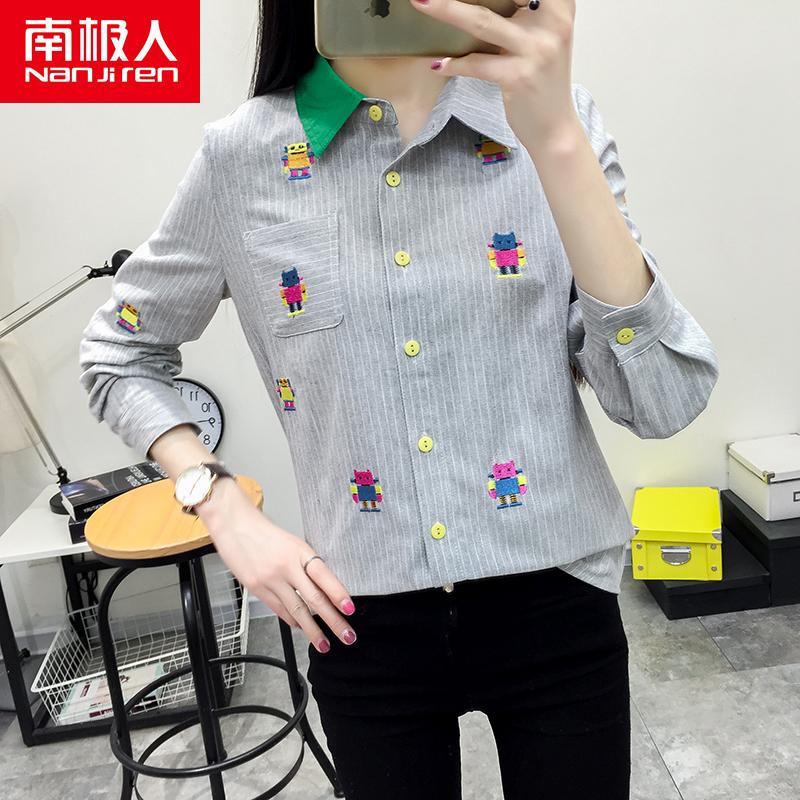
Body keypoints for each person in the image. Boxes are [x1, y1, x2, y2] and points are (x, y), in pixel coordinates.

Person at [78, 1, 720, 797]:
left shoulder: (554, 122)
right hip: (359, 614)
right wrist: (222, 506)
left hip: (558, 592)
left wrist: (557, 140)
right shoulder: (244, 156)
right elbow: (119, 351)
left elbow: (662, 402)